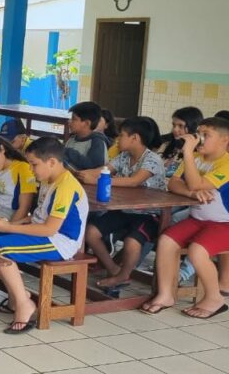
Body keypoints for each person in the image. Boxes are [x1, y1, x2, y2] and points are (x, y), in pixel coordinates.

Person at [0, 137, 89, 334]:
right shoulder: (50, 180)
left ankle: (24, 303)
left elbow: (49, 229)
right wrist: (9, 224)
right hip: (47, 235)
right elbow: (38, 218)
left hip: (60, 242)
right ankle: (17, 299)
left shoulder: (66, 186)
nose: (31, 169)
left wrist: (9, 229)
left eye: (34, 164)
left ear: (51, 162)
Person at [141, 117, 229, 319]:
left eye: (206, 135)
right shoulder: (197, 158)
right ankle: (165, 295)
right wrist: (190, 194)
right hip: (198, 219)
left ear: (225, 140)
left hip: (224, 224)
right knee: (166, 241)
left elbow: (197, 183)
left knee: (197, 251)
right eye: (199, 134)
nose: (199, 139)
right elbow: (173, 183)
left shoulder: (226, 163)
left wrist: (188, 153)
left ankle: (214, 298)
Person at [80, 117, 167, 290]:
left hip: (149, 214)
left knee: (132, 242)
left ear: (135, 138)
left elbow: (134, 181)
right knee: (90, 232)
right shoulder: (124, 156)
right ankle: (113, 269)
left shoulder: (152, 159)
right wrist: (80, 174)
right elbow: (102, 171)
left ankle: (123, 275)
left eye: (121, 136)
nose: (118, 140)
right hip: (125, 211)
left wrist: (98, 180)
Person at [65, 101, 109, 172]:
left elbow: (95, 166)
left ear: (86, 123)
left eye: (74, 119)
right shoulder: (72, 139)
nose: (69, 121)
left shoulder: (97, 142)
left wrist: (68, 152)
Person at [161, 106, 204, 178]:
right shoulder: (166, 145)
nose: (175, 129)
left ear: (194, 127)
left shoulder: (200, 153)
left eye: (180, 126)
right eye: (174, 125)